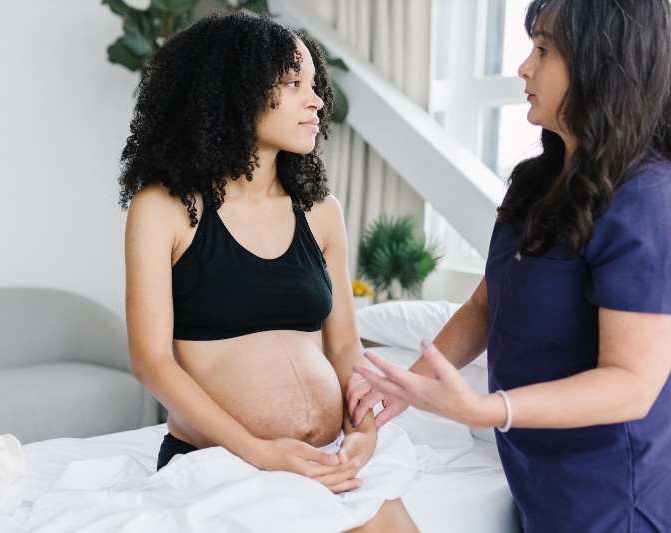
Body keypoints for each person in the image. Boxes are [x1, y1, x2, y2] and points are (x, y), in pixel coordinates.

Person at [349, 0, 671, 531]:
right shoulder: (536, 183)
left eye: (543, 50)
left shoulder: (645, 198)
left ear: (600, 65)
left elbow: (632, 384)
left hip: (614, 496)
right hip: (538, 479)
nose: (524, 67)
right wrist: (404, 386)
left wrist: (487, 409)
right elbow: (484, 304)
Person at [119, 11, 418, 532]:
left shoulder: (322, 211)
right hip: (221, 462)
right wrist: (259, 450)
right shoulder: (164, 209)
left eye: (314, 84)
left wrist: (363, 430)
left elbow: (345, 348)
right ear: (232, 93)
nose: (317, 101)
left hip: (326, 459)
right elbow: (152, 361)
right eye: (293, 84)